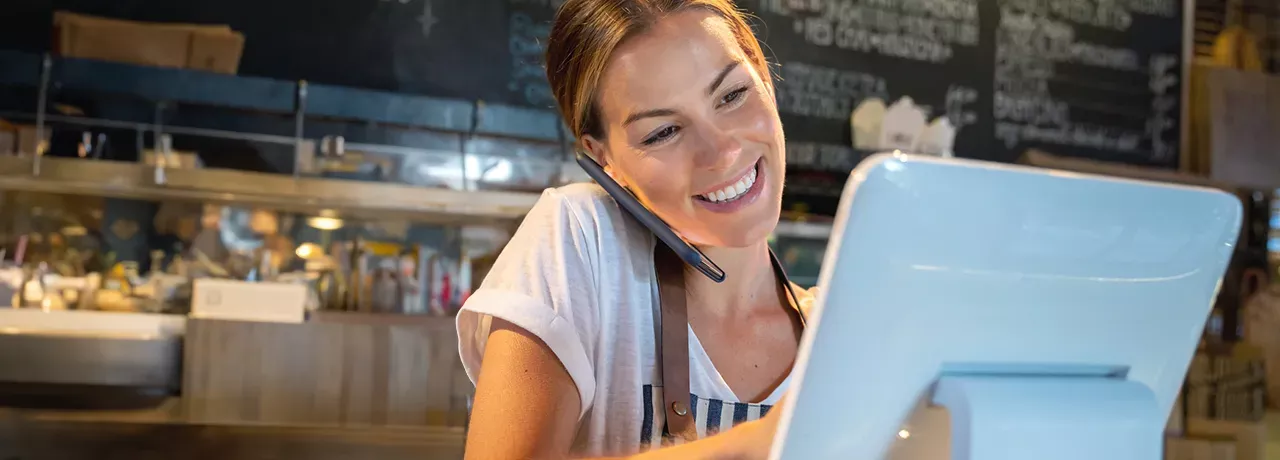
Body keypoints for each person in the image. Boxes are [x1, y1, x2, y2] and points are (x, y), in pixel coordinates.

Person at [456, 1, 813, 458]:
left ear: (763, 76)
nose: (721, 152)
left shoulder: (839, 330)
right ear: (604, 159)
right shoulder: (582, 238)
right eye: (663, 132)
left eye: (732, 95)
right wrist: (757, 443)